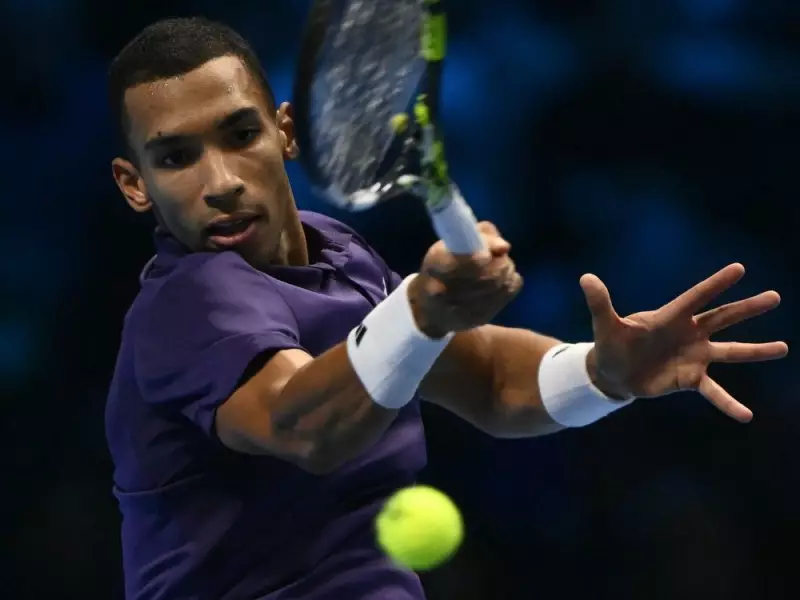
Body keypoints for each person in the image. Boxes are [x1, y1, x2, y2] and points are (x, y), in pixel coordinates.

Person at [105, 16, 788, 600]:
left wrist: (601, 372)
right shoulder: (186, 304)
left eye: (239, 135)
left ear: (285, 132)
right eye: (175, 157)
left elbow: (488, 379)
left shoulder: (339, 252)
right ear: (135, 185)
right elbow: (304, 427)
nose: (219, 181)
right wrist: (424, 309)